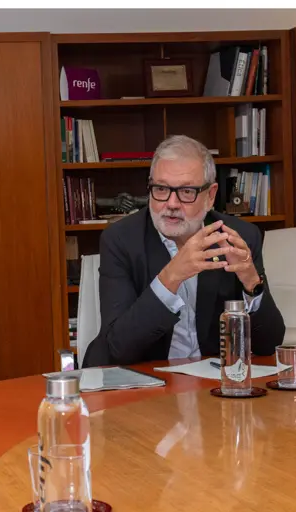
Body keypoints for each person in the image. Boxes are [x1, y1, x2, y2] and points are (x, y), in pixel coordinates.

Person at [83, 135, 285, 367]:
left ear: (210, 196)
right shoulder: (120, 240)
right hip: (144, 380)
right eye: (161, 189)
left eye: (186, 192)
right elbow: (118, 348)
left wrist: (251, 281)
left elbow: (269, 345)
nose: (171, 203)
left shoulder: (238, 236)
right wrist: (171, 276)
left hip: (210, 383)